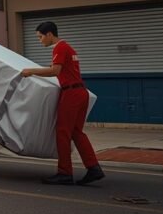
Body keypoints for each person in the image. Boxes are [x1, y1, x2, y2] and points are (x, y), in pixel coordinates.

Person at [21, 22, 105, 185]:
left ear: (50, 34)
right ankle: (93, 168)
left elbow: (55, 71)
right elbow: (59, 70)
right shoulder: (69, 47)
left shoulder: (59, 48)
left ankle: (65, 172)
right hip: (81, 92)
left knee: (63, 132)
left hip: (71, 94)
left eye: (40, 37)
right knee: (76, 132)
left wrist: (31, 71)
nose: (40, 41)